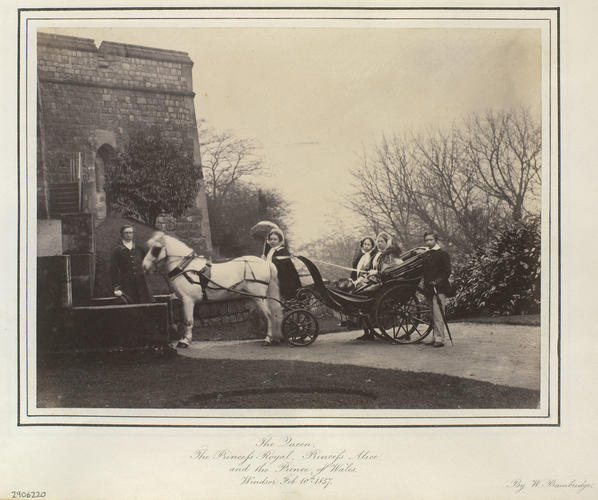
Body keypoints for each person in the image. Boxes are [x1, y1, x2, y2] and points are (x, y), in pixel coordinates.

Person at [354, 232, 402, 341]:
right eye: (378, 241)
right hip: (377, 280)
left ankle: (369, 324)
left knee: (362, 293)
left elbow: (387, 270)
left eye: (382, 241)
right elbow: (371, 267)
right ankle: (366, 327)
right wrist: (366, 273)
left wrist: (375, 273)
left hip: (384, 283)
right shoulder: (379, 254)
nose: (379, 243)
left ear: (387, 242)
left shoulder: (389, 255)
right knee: (357, 288)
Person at [421, 231, 452, 348]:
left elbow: (447, 271)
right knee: (432, 314)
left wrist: (437, 281)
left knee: (438, 314)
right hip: (429, 288)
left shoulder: (442, 254)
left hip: (439, 288)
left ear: (436, 240)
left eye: (431, 240)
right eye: (426, 240)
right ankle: (434, 337)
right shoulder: (426, 254)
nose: (428, 242)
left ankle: (440, 339)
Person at [110, 224, 154, 304]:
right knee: (130, 307)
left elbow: (146, 264)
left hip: (142, 284)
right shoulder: (117, 250)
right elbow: (113, 269)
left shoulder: (139, 249)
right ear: (122, 234)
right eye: (126, 233)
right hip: (126, 284)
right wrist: (116, 287)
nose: (128, 235)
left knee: (146, 306)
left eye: (130, 232)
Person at [263, 228, 301, 302]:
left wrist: (270, 261)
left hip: (285, 278)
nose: (272, 241)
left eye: (275, 239)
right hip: (272, 275)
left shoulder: (282, 251)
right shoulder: (271, 251)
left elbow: (282, 266)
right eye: (271, 239)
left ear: (279, 240)